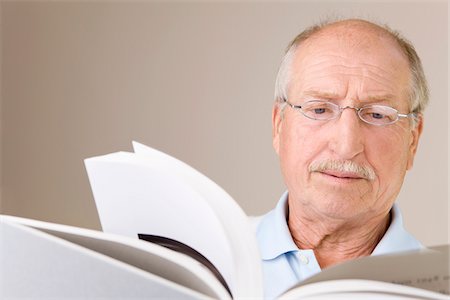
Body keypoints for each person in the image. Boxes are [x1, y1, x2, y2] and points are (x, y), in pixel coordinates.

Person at [255, 18, 429, 298]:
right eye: (320, 109)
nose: (346, 146)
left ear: (413, 140)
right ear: (278, 125)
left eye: (377, 114)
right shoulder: (204, 259)